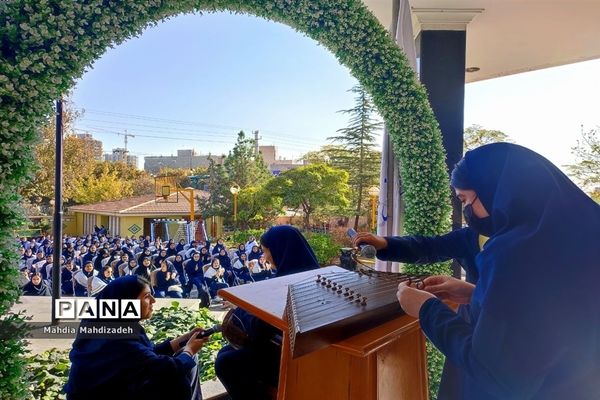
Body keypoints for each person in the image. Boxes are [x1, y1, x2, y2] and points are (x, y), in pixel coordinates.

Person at [355, 143, 600, 400]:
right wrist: (476, 293)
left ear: (496, 191)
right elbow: (537, 312)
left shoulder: (513, 251)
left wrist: (426, 309)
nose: (467, 211)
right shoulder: (578, 236)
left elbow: (491, 367)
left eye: (465, 199)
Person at [215, 225, 320, 400]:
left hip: (298, 356)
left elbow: (260, 328)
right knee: (228, 353)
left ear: (279, 251)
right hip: (304, 346)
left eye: (265, 251)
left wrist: (238, 308)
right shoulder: (313, 272)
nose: (265, 257)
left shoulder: (289, 283)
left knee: (226, 361)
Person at [64, 275, 207, 399]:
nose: (153, 300)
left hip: (114, 389)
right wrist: (190, 349)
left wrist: (183, 341)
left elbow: (145, 357)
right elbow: (165, 369)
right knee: (177, 379)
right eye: (146, 296)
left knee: (186, 358)